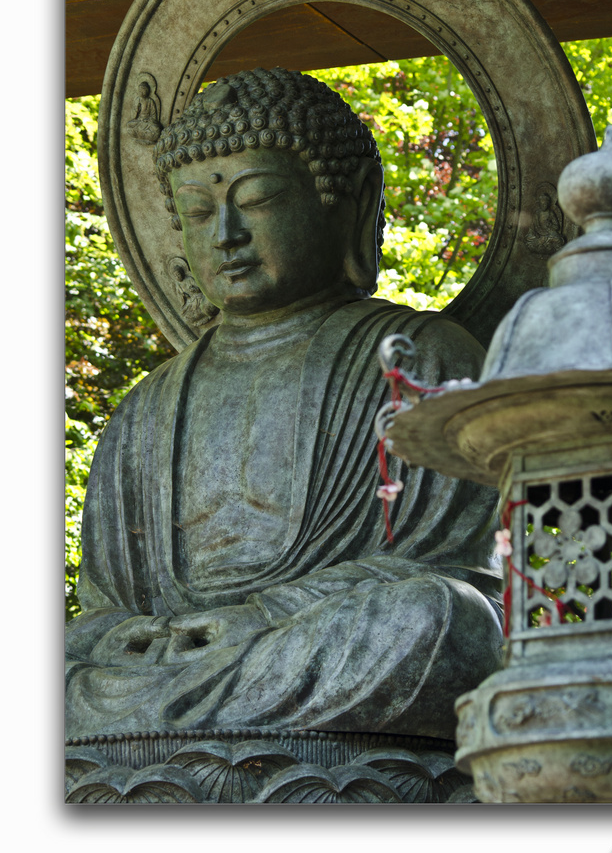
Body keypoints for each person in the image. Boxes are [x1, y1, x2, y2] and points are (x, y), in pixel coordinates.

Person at [65, 68, 503, 741]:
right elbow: (104, 607)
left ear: (348, 203)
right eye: (197, 213)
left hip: (323, 641)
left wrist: (264, 615)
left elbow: (455, 564)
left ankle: (163, 731)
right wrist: (120, 635)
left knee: (439, 619)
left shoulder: (423, 357)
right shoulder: (145, 410)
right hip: (174, 664)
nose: (226, 234)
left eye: (259, 199)